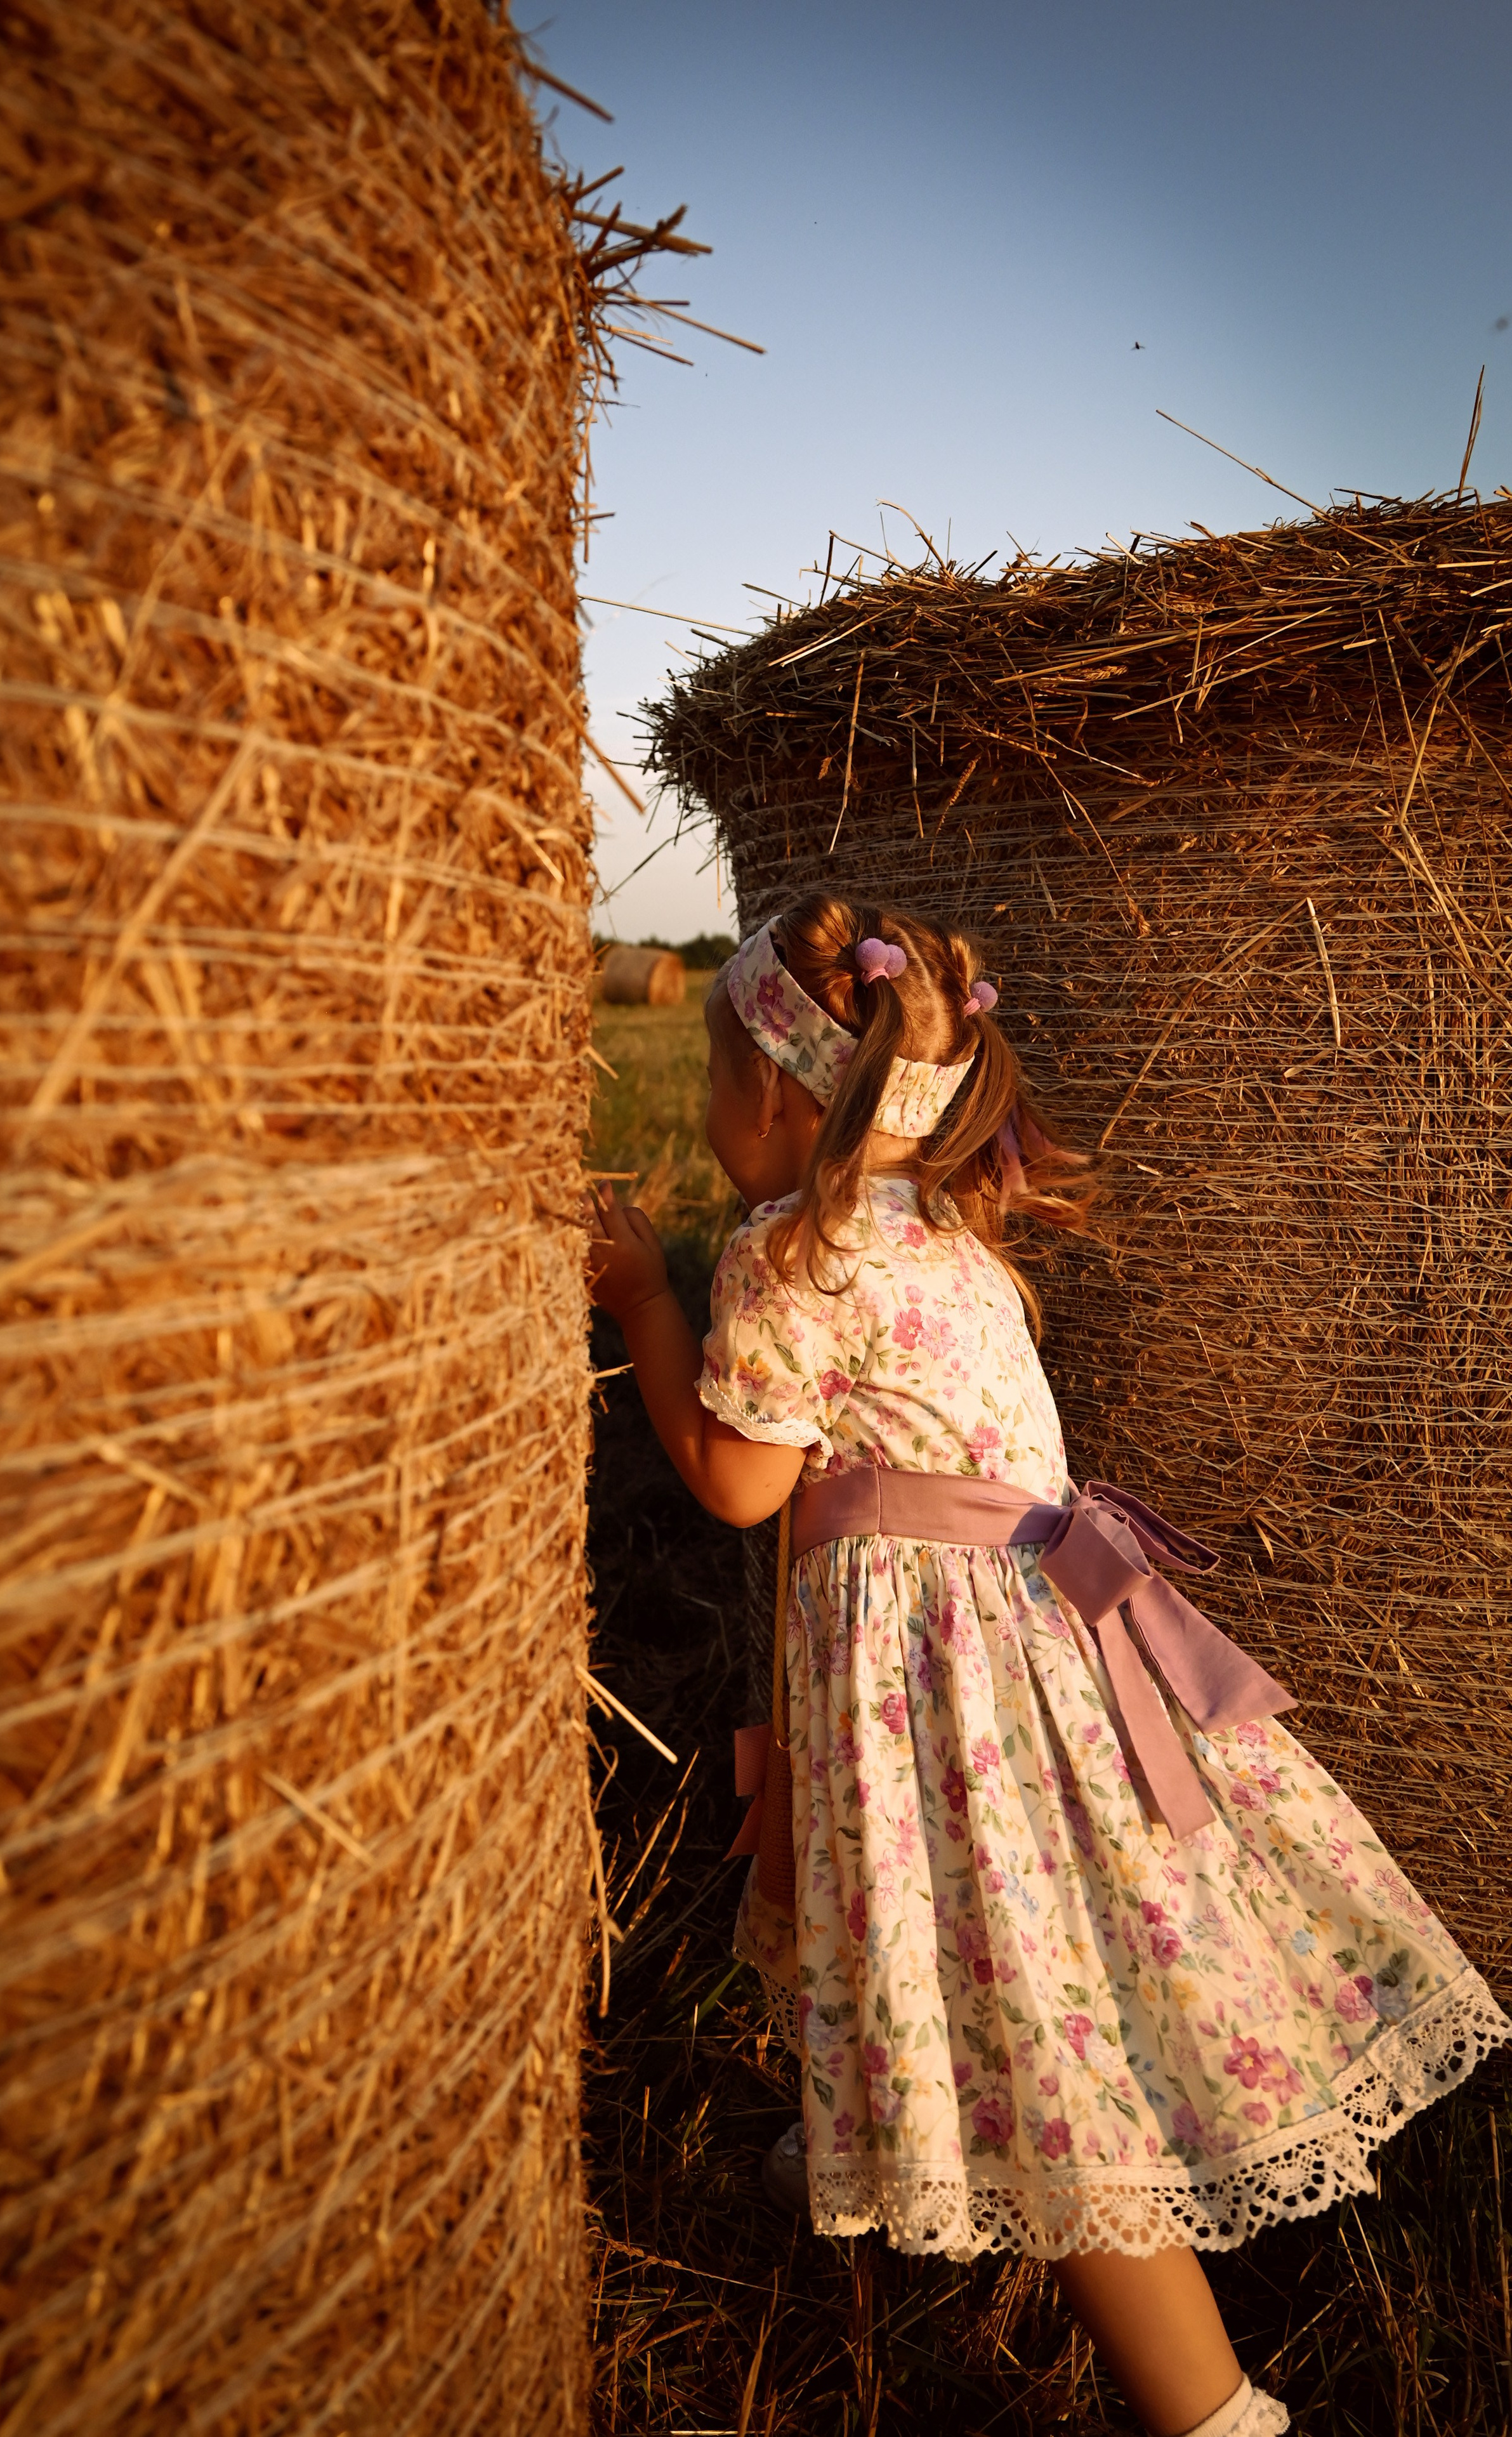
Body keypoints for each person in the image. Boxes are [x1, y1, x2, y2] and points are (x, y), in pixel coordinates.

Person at [585, 891, 1508, 2437]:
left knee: (1023, 2023)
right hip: (1037, 1640)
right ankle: (859, 2133)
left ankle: (1212, 2411)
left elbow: (736, 1482)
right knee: (948, 1937)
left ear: (782, 1095)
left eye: (709, 1079)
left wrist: (645, 1299)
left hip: (940, 1681)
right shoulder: (945, 1229)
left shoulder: (784, 1256)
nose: (698, 1111)